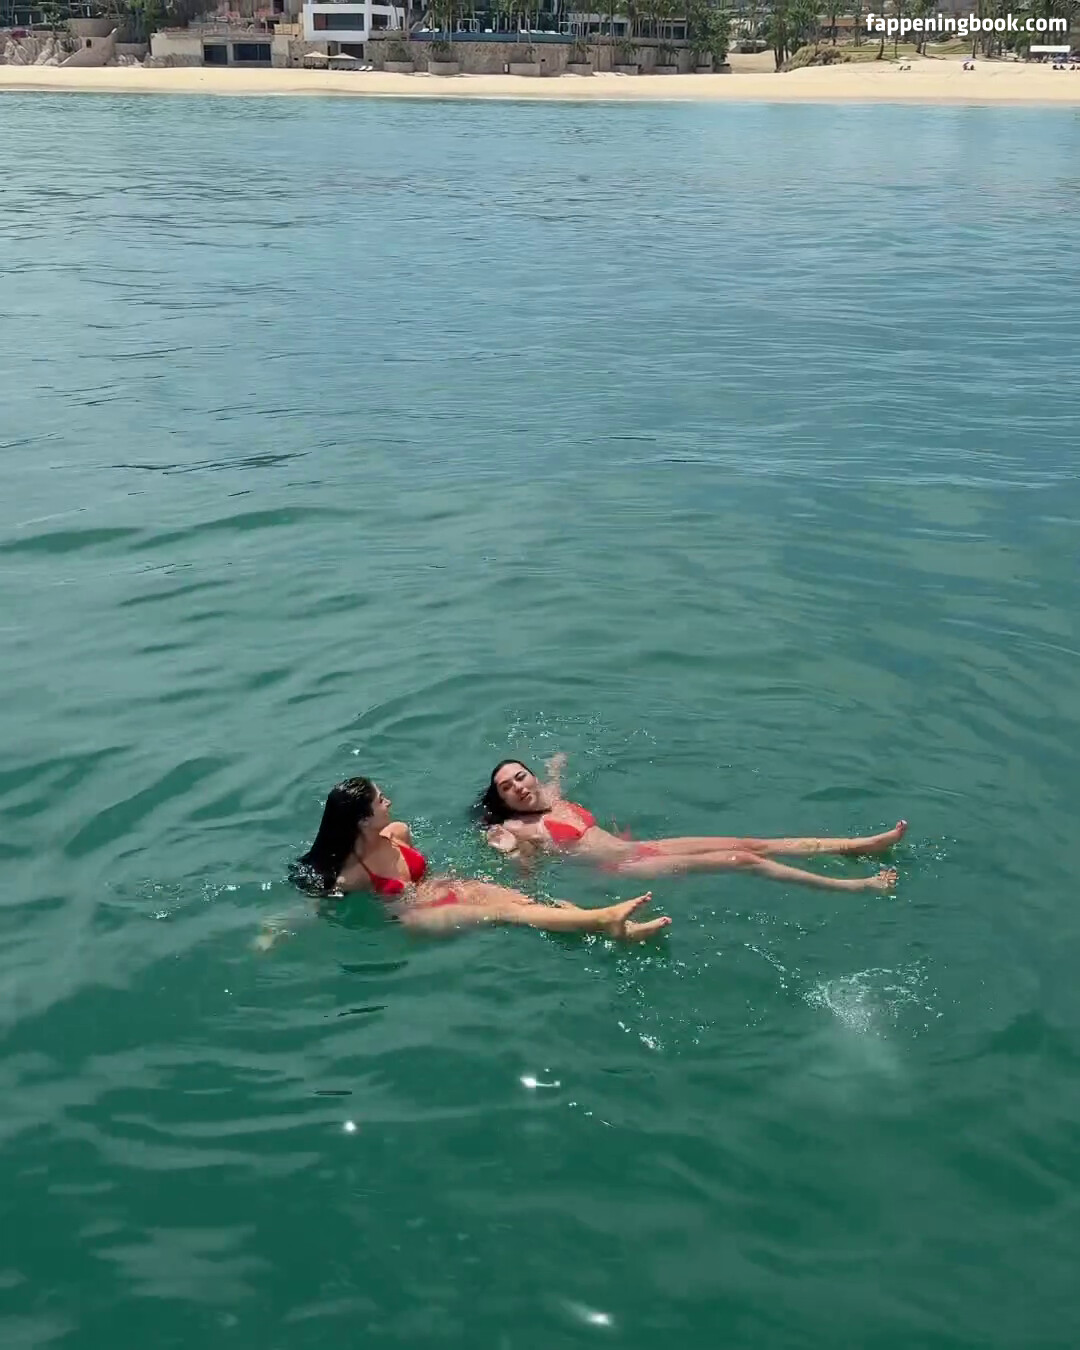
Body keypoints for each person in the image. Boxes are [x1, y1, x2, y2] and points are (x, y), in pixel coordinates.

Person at [276, 776, 670, 943]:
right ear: (363, 819)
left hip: (445, 888)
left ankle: (613, 928)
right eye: (381, 800)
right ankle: (602, 918)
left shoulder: (398, 833)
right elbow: (314, 906)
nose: (389, 801)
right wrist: (273, 929)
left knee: (522, 901)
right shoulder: (351, 877)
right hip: (417, 915)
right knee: (508, 912)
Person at [475, 755, 903, 893]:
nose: (518, 787)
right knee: (743, 860)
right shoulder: (518, 828)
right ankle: (855, 885)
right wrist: (509, 850)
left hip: (642, 847)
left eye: (520, 776)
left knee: (752, 843)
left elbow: (554, 776)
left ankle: (857, 846)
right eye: (507, 787)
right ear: (503, 801)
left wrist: (557, 764)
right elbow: (527, 874)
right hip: (623, 865)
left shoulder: (551, 797)